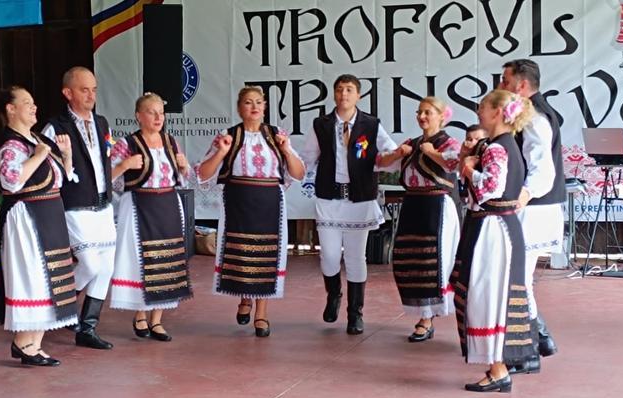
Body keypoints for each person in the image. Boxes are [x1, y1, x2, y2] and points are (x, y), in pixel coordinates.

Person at [196, 86, 306, 337]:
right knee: (243, 254)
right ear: (239, 108)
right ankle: (245, 298)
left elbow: (298, 174)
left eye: (258, 102)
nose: (254, 107)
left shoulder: (278, 135)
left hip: (270, 204)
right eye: (248, 102)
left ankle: (261, 313)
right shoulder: (228, 135)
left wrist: (287, 149)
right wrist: (222, 152)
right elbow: (203, 174)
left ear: (265, 106)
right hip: (238, 203)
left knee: (266, 256)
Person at [299, 74, 398, 335]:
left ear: (359, 96)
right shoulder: (322, 124)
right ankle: (334, 295)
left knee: (356, 257)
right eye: (340, 89)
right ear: (334, 94)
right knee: (329, 256)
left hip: (360, 198)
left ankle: (356, 313)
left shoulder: (371, 124)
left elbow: (389, 152)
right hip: (329, 198)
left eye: (350, 90)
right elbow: (307, 157)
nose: (344, 94)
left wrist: (396, 155)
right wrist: (290, 169)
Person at [454, 89, 537, 392]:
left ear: (498, 113)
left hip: (493, 228)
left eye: (483, 107)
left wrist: (469, 171)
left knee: (489, 292)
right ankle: (496, 367)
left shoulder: (498, 148)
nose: (478, 111)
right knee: (489, 292)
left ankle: (498, 368)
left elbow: (490, 187)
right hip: (497, 224)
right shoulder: (499, 145)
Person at [0, 85, 79, 366]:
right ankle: (22, 342)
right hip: (27, 217)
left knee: (48, 278)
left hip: (49, 214)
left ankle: (35, 342)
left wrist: (64, 156)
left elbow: (60, 179)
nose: (34, 107)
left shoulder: (37, 139)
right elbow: (12, 181)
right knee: (32, 276)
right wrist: (39, 156)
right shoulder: (13, 145)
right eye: (27, 103)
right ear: (11, 108)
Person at [107, 93, 193, 341]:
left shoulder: (170, 141)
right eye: (152, 112)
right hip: (139, 206)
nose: (158, 117)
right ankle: (140, 314)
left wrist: (184, 166)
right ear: (139, 116)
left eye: (161, 113)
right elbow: (108, 180)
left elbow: (182, 178)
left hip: (167, 204)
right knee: (141, 260)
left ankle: (157, 320)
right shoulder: (127, 144)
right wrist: (124, 165)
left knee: (167, 259)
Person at [42, 67, 116, 350]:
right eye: (84, 90)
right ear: (67, 93)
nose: (91, 95)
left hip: (102, 203)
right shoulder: (55, 127)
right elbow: (47, 169)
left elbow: (104, 161)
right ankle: (58, 304)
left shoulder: (102, 123)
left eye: (94, 89)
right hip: (74, 204)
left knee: (106, 267)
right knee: (90, 263)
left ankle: (88, 327)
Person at [378, 97, 461, 342]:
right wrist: (397, 153)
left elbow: (454, 165)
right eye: (419, 112)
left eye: (428, 112)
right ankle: (423, 312)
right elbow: (381, 164)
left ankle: (428, 318)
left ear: (441, 116)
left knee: (433, 260)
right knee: (409, 259)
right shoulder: (411, 144)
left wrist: (432, 153)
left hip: (437, 205)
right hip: (412, 204)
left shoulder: (448, 142)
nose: (422, 117)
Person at [499, 59, 562, 374]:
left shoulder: (534, 117)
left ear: (521, 86)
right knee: (519, 279)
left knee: (519, 281)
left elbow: (542, 172)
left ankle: (526, 353)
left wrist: (519, 199)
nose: (500, 85)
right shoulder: (530, 113)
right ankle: (541, 339)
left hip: (532, 209)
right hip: (532, 208)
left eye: (505, 80)